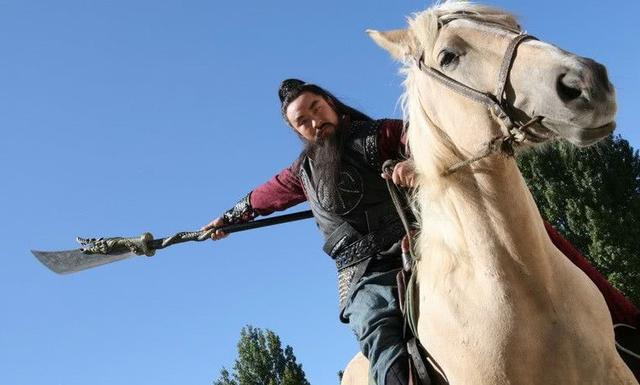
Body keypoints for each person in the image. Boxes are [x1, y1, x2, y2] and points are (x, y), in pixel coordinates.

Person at [202, 79, 640, 385]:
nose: (314, 120)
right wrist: (227, 220)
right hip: (365, 273)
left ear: (330, 104)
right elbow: (260, 199)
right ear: (298, 131)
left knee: (527, 261)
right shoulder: (301, 173)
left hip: (426, 244)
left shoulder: (383, 134)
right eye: (302, 120)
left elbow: (437, 147)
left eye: (316, 107)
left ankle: (621, 340)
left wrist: (416, 166)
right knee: (380, 335)